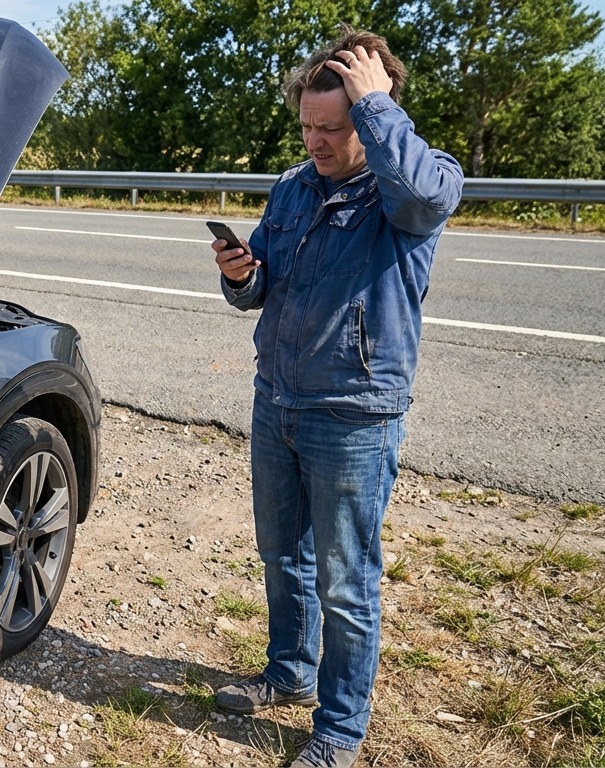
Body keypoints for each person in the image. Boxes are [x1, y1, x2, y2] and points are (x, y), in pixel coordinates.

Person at [209, 25, 463, 768]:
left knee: (348, 582)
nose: (316, 142)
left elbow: (420, 194)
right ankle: (288, 673)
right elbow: (261, 289)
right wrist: (238, 274)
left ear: (374, 113)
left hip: (353, 414)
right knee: (283, 557)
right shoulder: (292, 187)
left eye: (334, 127)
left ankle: (340, 727)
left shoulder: (414, 183)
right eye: (308, 128)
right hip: (277, 399)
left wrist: (379, 108)